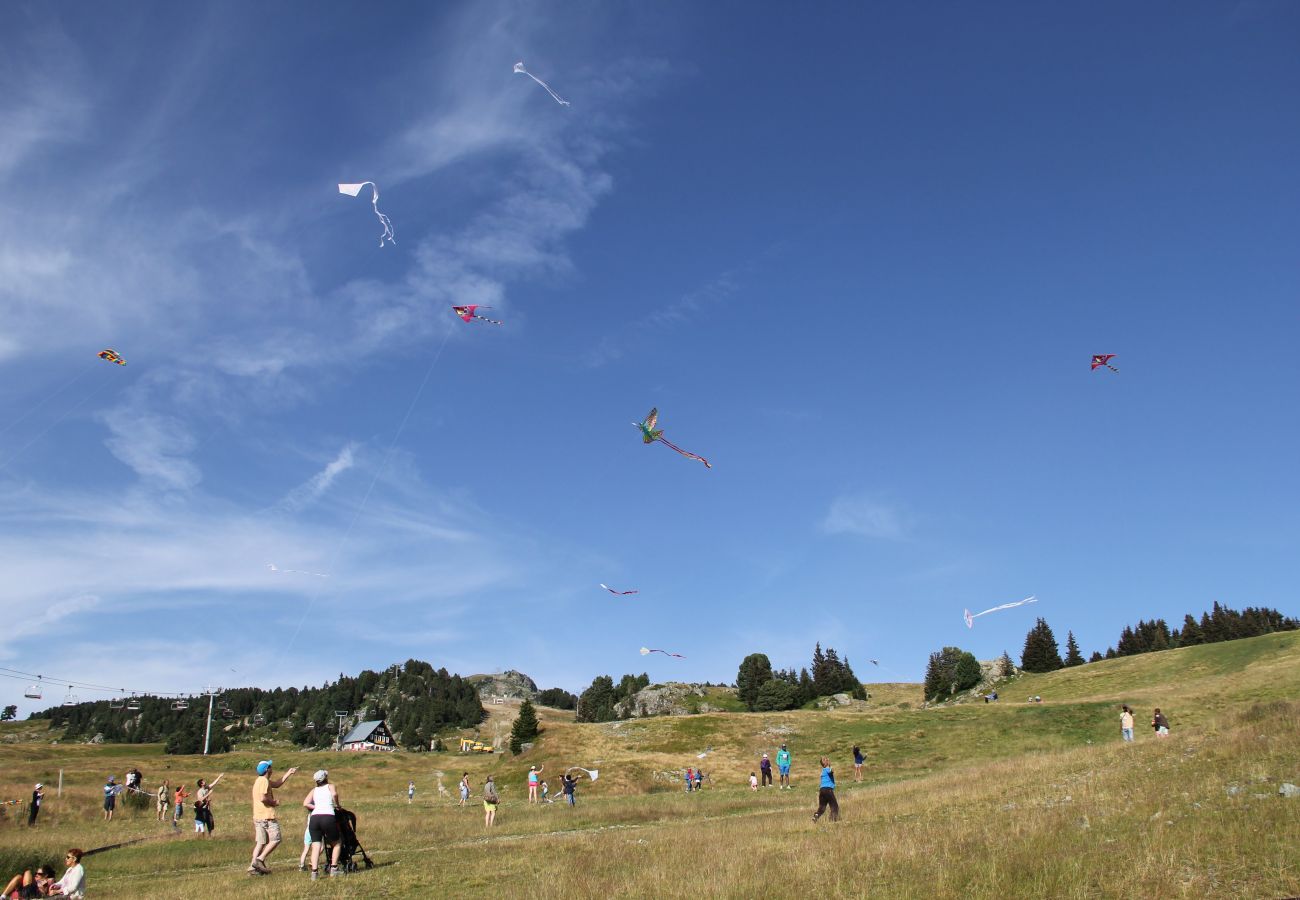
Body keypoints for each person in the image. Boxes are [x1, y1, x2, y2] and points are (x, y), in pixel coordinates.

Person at [249, 759, 299, 876]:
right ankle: (260, 860)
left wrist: (289, 773)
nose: (272, 768)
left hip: (257, 816)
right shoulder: (264, 781)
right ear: (267, 770)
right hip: (267, 816)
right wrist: (274, 803)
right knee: (276, 839)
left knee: (260, 843)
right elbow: (263, 798)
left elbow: (277, 784)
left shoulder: (260, 780)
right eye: (270, 766)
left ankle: (252, 867)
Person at [303, 770, 341, 880]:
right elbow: (334, 794)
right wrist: (337, 805)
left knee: (316, 846)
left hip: (314, 818)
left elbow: (305, 803)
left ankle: (314, 873)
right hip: (327, 817)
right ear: (325, 778)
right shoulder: (330, 786)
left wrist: (317, 807)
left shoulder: (314, 790)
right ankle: (334, 869)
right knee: (337, 843)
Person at [812, 757, 839, 823]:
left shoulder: (823, 770)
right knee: (835, 806)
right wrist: (830, 767)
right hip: (828, 790)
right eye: (825, 759)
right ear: (824, 764)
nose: (827, 759)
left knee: (822, 807)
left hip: (822, 790)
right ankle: (833, 821)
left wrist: (829, 765)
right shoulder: (827, 769)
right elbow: (831, 771)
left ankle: (816, 815)